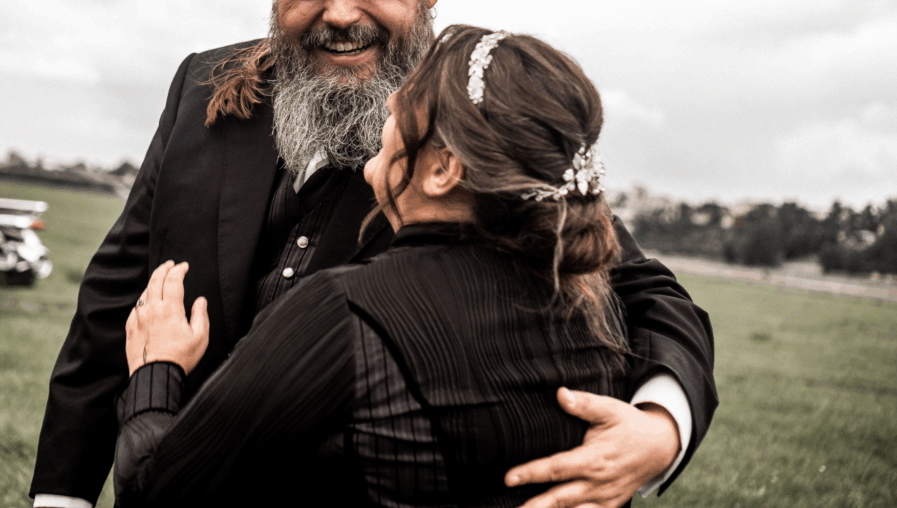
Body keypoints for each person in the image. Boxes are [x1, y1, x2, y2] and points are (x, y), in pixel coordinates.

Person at [31, 0, 716, 508]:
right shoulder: (199, 90)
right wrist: (59, 495)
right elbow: (111, 303)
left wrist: (660, 427)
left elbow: (640, 286)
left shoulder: (462, 131)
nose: (339, 13)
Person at [114, 25, 635, 507]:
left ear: (443, 169)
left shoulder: (345, 311)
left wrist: (157, 370)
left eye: (409, 99)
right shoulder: (594, 314)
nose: (390, 99)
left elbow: (160, 492)